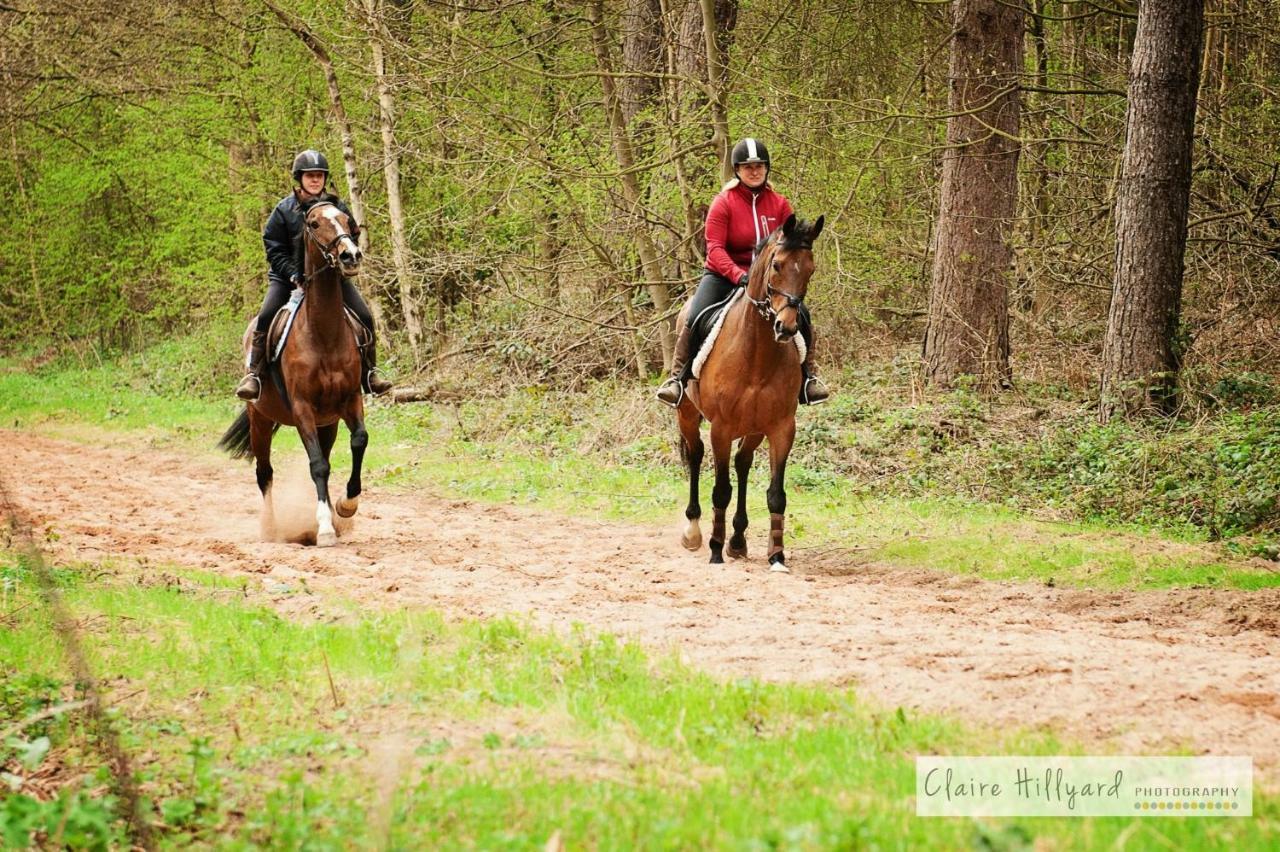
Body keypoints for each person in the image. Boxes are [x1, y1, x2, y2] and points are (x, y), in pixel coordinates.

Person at [655, 137, 829, 407]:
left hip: (771, 280)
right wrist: (739, 275)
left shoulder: (780, 205)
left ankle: (809, 378)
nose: (754, 171)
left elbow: (791, 249)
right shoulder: (723, 203)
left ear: (767, 168)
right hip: (724, 275)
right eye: (748, 167)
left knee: (802, 314)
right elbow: (714, 248)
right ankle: (677, 379)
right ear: (737, 170)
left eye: (760, 165)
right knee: (695, 312)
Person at [235, 149, 393, 401]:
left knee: (364, 315)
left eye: (319, 175)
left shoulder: (336, 206)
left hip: (330, 280)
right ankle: (254, 375)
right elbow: (274, 248)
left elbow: (350, 234)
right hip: (287, 279)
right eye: (310, 176)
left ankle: (370, 373)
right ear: (300, 178)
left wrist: (345, 254)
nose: (315, 180)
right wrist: (293, 274)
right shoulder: (284, 210)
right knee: (265, 317)